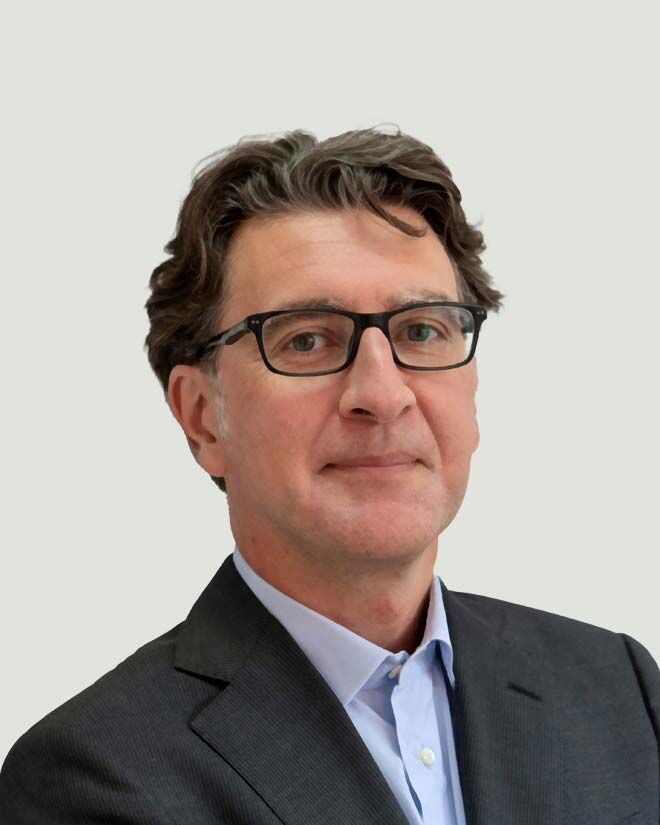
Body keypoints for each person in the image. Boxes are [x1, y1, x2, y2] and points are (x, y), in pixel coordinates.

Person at [1, 127, 658, 825]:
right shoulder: (94, 776)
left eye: (422, 331)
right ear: (202, 418)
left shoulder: (622, 689)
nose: (383, 393)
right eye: (307, 339)